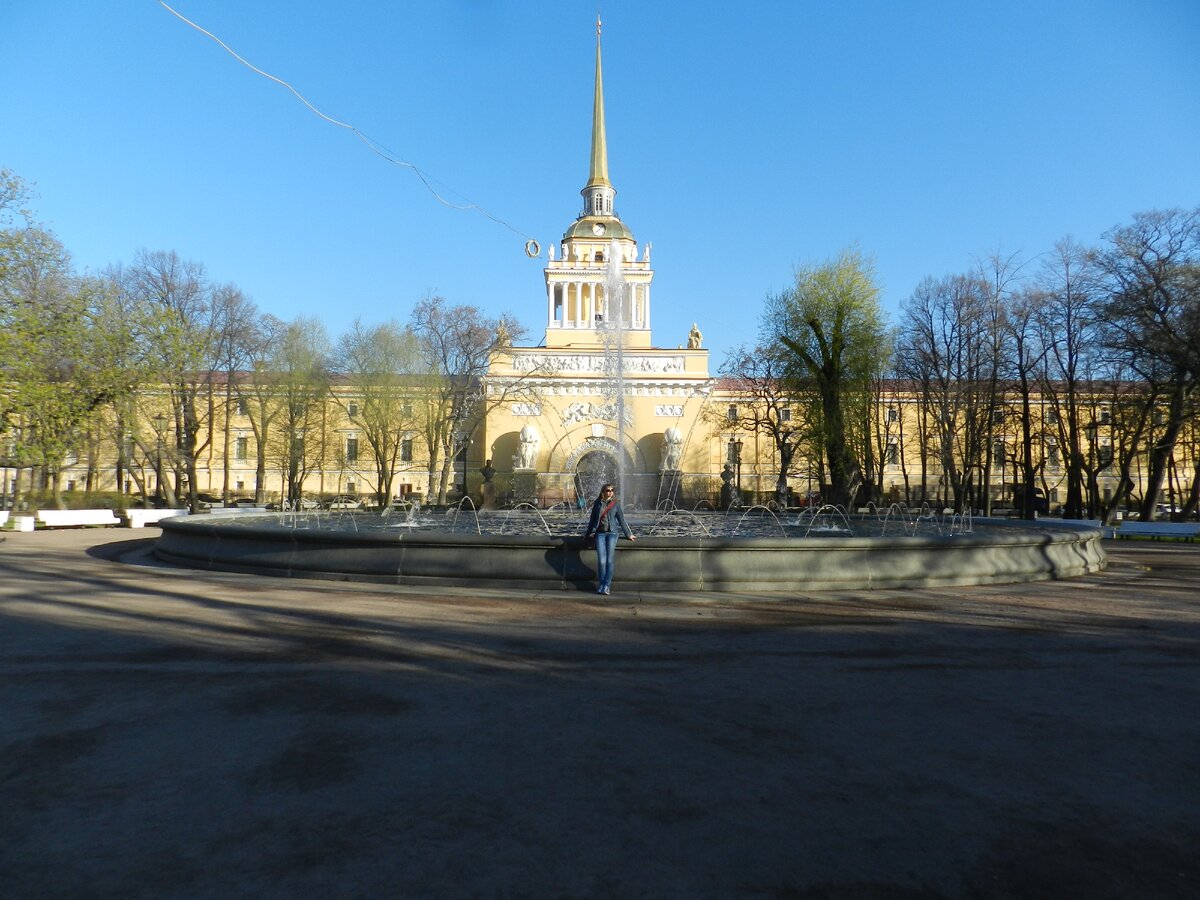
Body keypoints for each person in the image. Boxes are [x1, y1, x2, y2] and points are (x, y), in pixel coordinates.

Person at [584, 483, 636, 594]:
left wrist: (628, 534)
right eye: (608, 490)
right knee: (601, 561)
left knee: (609, 560)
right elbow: (592, 520)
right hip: (600, 534)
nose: (610, 492)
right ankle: (602, 584)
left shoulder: (615, 504)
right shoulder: (597, 504)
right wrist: (587, 534)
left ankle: (606, 585)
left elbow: (622, 520)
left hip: (612, 534)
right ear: (603, 492)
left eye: (612, 490)